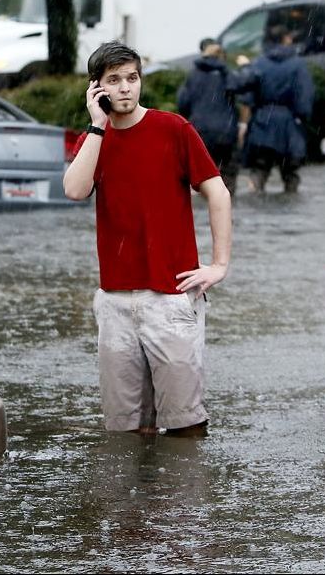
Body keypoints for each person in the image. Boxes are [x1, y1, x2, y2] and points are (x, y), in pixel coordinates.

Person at [63, 41, 232, 438]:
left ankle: (182, 499)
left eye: (132, 79)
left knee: (186, 425)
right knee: (124, 430)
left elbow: (218, 192)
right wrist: (96, 125)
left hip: (171, 297)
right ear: (97, 88)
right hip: (115, 301)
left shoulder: (172, 129)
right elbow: (74, 190)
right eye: (114, 80)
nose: (125, 88)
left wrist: (219, 265)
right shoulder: (95, 140)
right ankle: (133, 502)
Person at [240, 24, 313, 194]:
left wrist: (246, 122)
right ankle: (290, 201)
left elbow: (249, 94)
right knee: (290, 170)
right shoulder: (297, 64)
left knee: (260, 167)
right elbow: (304, 95)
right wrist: (303, 117)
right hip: (288, 121)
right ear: (286, 39)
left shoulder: (259, 63)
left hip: (262, 119)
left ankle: (256, 197)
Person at [177, 37, 245, 196]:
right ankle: (226, 208)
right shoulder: (227, 74)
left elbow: (183, 102)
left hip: (200, 131)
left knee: (202, 174)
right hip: (226, 132)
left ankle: (206, 205)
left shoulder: (193, 75)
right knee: (227, 174)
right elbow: (241, 88)